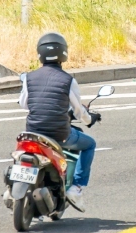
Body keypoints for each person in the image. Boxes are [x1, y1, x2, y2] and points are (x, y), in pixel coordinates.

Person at [17, 32, 100, 212]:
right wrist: (90, 118)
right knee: (89, 145)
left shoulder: (28, 78)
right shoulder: (68, 80)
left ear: (39, 53)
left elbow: (24, 104)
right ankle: (76, 188)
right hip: (60, 134)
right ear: (64, 53)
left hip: (33, 133)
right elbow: (79, 112)